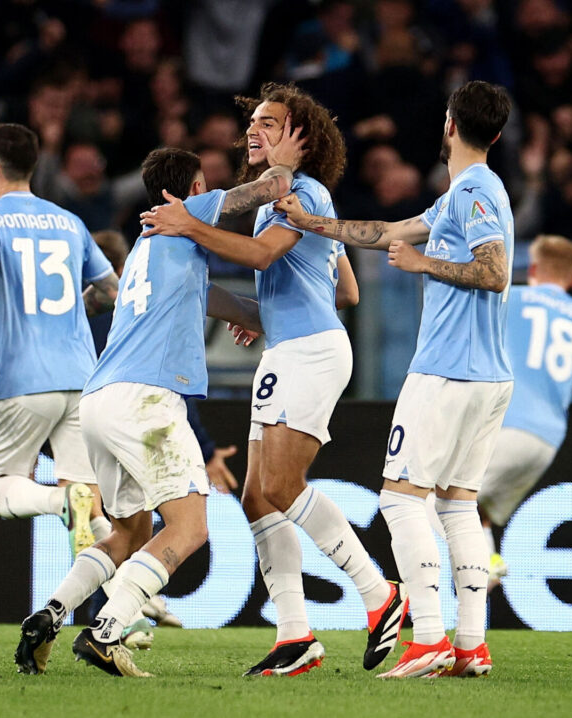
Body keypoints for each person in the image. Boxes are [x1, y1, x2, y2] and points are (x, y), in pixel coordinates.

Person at [141, 82, 407, 677]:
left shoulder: (305, 191)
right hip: (292, 346)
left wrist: (188, 225)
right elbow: (347, 290)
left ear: (301, 137)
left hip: (307, 352)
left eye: (270, 122)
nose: (254, 131)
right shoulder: (294, 202)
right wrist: (269, 309)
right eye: (253, 121)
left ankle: (378, 593)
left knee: (283, 487)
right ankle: (295, 636)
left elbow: (262, 257)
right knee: (257, 495)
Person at [15, 138, 301, 678]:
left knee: (128, 532)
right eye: (206, 184)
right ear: (191, 191)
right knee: (190, 528)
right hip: (145, 399)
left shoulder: (152, 247)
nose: (211, 190)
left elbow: (218, 301)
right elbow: (270, 188)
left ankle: (49, 615)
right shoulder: (186, 216)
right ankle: (107, 630)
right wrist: (287, 148)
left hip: (99, 400)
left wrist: (262, 317)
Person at [274, 79, 514, 678]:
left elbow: (495, 272)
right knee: (458, 505)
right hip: (486, 376)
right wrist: (312, 223)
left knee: (399, 499)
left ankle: (428, 636)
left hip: (448, 371)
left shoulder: (475, 191)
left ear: (450, 125)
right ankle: (470, 645)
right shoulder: (466, 191)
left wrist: (422, 264)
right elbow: (387, 231)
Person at [0, 123, 121, 564]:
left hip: (25, 379)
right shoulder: (70, 222)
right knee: (87, 500)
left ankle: (55, 502)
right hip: (83, 380)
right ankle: (137, 608)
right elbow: (111, 291)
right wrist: (73, 311)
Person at [478, 235, 572, 590]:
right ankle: (474, 614)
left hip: (505, 422)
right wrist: (558, 389)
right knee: (477, 511)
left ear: (531, 269)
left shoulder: (511, 298)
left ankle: (483, 564)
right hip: (547, 436)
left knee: (440, 500)